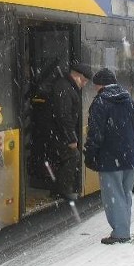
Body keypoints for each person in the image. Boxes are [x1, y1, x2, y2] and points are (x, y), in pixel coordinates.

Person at [84, 68, 134, 245]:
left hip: (110, 157)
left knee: (113, 196)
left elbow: (96, 134)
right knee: (125, 194)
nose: (94, 89)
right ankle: (124, 228)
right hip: (129, 156)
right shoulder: (130, 101)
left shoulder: (101, 102)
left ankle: (121, 232)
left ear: (100, 84)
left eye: (95, 85)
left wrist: (91, 154)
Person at [48, 62, 93, 200]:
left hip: (57, 133)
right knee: (73, 156)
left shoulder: (65, 86)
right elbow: (64, 116)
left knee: (63, 159)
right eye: (84, 81)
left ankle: (58, 189)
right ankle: (62, 190)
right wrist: (72, 139)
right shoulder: (65, 89)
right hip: (59, 134)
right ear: (77, 76)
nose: (84, 85)